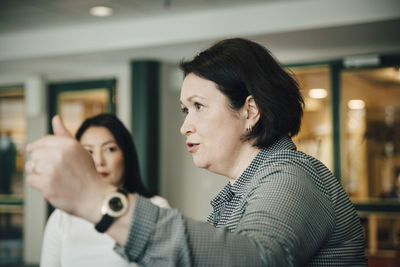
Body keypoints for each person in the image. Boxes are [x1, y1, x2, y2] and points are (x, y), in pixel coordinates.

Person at [27, 38, 367, 266]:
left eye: (198, 106)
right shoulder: (240, 191)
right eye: (184, 109)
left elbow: (258, 259)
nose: (185, 126)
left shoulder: (293, 175)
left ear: (250, 111)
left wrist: (98, 201)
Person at [40, 113, 169, 267]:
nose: (99, 161)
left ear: (126, 155)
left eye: (109, 149)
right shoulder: (61, 218)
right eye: (88, 151)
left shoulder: (156, 209)